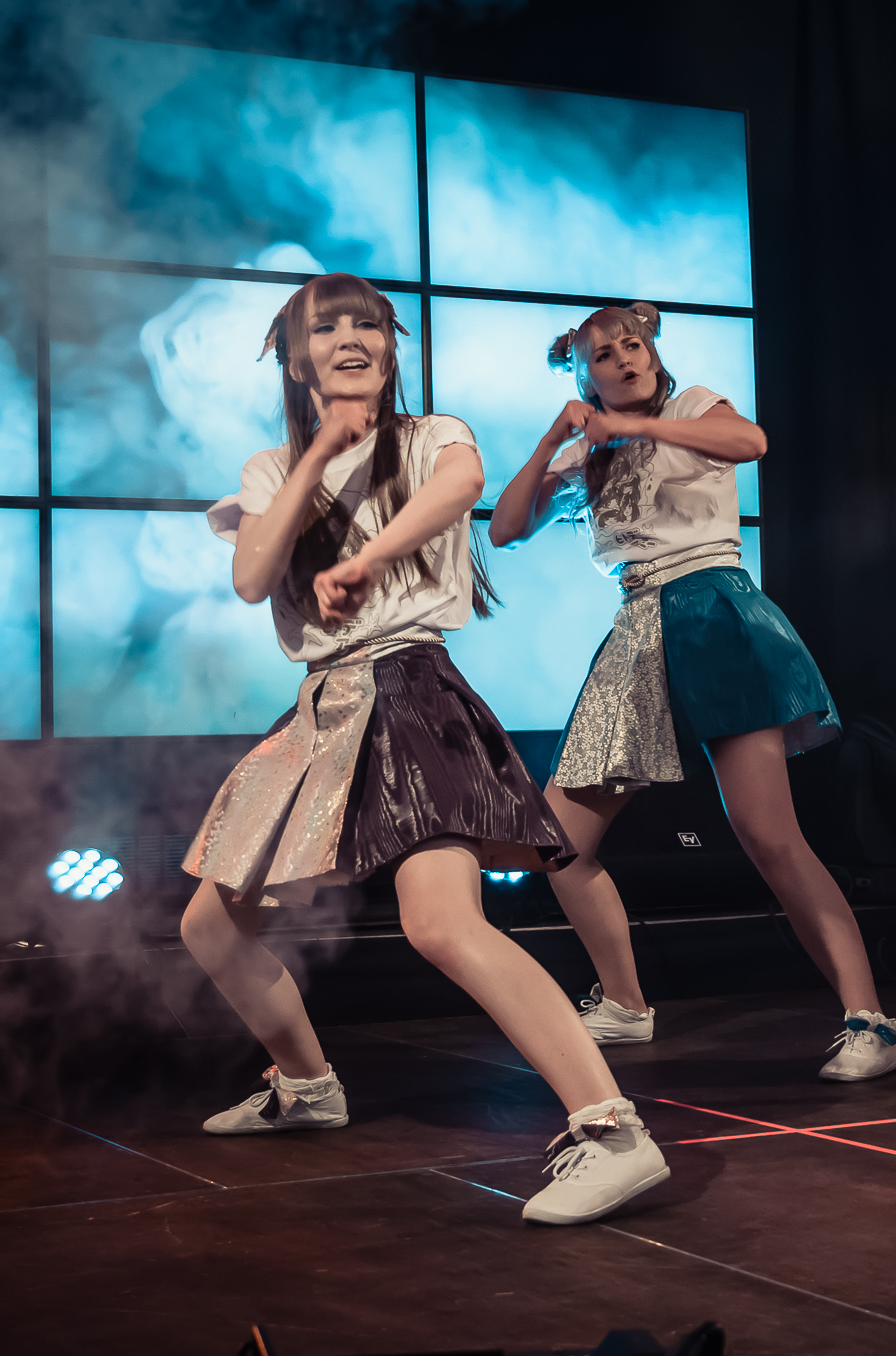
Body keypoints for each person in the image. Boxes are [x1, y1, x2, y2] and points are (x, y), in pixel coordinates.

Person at [179, 273, 669, 1225]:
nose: (352, 337)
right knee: (210, 925)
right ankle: (306, 1085)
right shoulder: (272, 468)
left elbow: (463, 490)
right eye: (329, 326)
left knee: (441, 925)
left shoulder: (433, 436)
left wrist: (365, 559)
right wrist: (322, 449)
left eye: (368, 323)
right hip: (323, 705)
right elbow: (251, 575)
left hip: (408, 690)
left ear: (391, 347)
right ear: (296, 357)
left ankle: (613, 1131)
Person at [487, 302, 896, 1082]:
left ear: (652, 354)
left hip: (711, 607)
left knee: (768, 834)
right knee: (558, 844)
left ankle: (869, 1021)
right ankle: (624, 1003)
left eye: (633, 344)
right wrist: (554, 443)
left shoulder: (690, 408)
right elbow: (506, 529)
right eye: (603, 354)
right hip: (636, 627)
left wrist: (634, 428)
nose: (624, 358)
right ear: (582, 378)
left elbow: (752, 441)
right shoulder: (587, 458)